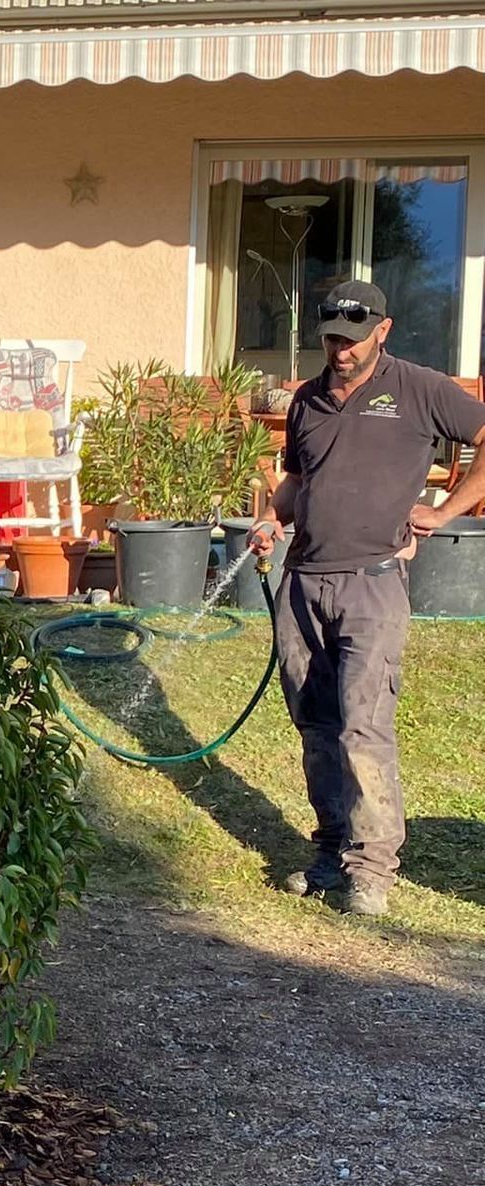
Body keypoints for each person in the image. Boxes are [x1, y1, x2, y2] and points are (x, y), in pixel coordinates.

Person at [250, 280, 485, 916]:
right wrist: (274, 519)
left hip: (372, 584)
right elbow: (299, 480)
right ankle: (330, 852)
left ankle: (372, 868)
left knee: (363, 726)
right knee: (317, 725)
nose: (342, 350)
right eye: (331, 338)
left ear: (382, 330)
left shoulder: (418, 388)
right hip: (303, 583)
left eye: (353, 340)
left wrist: (449, 509)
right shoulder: (306, 401)